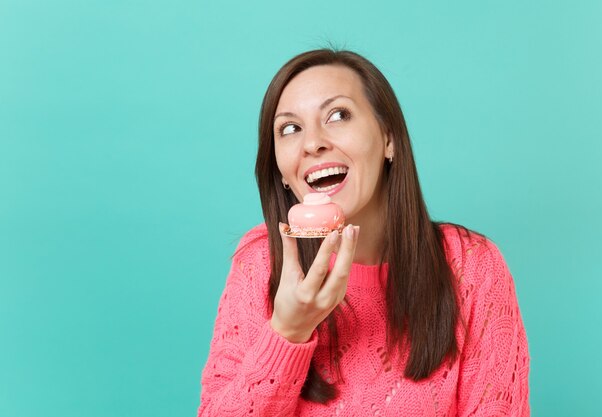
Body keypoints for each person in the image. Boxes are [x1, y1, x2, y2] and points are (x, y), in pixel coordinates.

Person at [197, 49, 530, 416]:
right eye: (290, 128)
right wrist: (287, 332)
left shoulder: (473, 268)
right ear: (279, 170)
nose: (312, 143)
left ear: (388, 138)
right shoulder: (259, 262)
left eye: (338, 115)